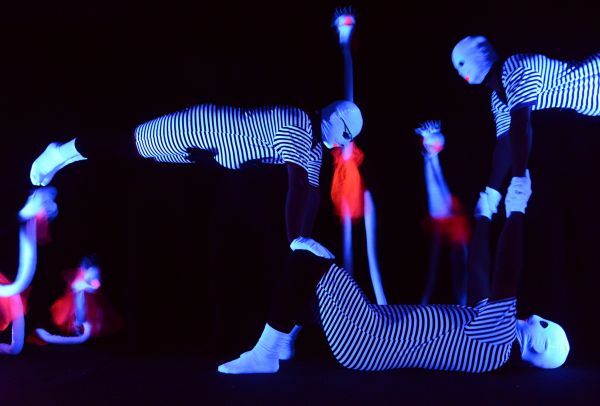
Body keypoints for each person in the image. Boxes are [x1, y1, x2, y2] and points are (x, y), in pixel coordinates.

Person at [218, 171, 570, 374]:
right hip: (368, 338)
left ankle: (266, 354)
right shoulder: (489, 342)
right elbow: (480, 274)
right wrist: (485, 214)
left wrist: (517, 209)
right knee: (315, 286)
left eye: (544, 324)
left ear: (540, 343)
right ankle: (283, 345)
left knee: (308, 256)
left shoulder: (500, 339)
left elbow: (506, 272)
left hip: (366, 336)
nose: (537, 316)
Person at [29, 101, 362, 256]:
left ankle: (66, 158)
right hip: (197, 130)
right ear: (335, 122)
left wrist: (305, 240)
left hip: (205, 153)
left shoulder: (314, 148)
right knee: (125, 146)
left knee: (130, 155)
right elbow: (298, 185)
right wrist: (296, 240)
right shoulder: (299, 124)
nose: (342, 145)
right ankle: (60, 151)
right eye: (345, 136)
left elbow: (312, 194)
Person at [451, 36, 600, 216]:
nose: (460, 72)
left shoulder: (515, 69)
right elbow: (505, 145)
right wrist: (490, 196)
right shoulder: (498, 99)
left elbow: (521, 125)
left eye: (461, 63)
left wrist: (519, 181)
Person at [415, 120, 470, 305]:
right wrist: (430, 157)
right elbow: (435, 184)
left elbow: (437, 184)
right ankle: (429, 302)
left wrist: (431, 156)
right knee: (440, 265)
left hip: (454, 217)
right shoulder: (442, 207)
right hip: (449, 216)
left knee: (457, 266)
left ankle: (461, 303)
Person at [0, 187, 58, 354]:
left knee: (16, 347)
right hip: (7, 282)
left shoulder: (31, 222)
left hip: (11, 284)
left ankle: (12, 347)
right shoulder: (13, 219)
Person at [35, 256, 123, 344]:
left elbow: (95, 286)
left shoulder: (94, 274)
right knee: (75, 307)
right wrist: (82, 286)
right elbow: (75, 286)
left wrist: (88, 286)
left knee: (89, 311)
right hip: (78, 299)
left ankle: (83, 329)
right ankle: (77, 327)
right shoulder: (80, 275)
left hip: (89, 300)